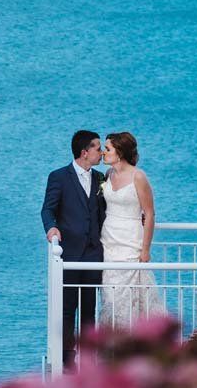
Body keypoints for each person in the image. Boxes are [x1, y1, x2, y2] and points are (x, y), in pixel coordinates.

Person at [41, 130, 105, 370]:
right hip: (68, 253)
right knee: (68, 308)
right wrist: (51, 229)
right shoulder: (58, 177)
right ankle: (67, 359)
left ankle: (88, 357)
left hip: (93, 254)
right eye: (98, 148)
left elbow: (106, 212)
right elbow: (47, 209)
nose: (101, 152)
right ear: (84, 152)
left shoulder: (101, 179)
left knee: (89, 308)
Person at [98, 131, 164, 326]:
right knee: (110, 295)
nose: (103, 152)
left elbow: (150, 213)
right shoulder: (108, 175)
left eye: (107, 149)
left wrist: (145, 249)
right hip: (108, 241)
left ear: (119, 152)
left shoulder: (138, 177)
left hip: (130, 241)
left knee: (129, 294)